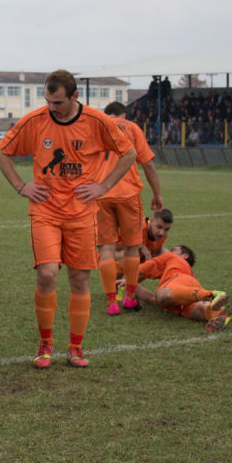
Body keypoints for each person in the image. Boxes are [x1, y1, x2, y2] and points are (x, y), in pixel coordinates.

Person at [0, 69, 135, 369]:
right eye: (48, 100)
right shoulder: (35, 121)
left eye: (57, 102)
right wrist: (21, 186)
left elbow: (129, 153)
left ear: (74, 96)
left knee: (80, 279)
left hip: (82, 213)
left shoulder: (97, 122)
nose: (51, 107)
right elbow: (1, 152)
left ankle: (76, 347)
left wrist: (103, 186)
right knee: (47, 274)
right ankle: (45, 343)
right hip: (45, 211)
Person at [97, 101, 163, 315]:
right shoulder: (132, 128)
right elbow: (148, 164)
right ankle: (130, 298)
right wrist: (157, 194)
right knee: (131, 247)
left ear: (106, 114)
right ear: (123, 114)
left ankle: (110, 302)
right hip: (128, 194)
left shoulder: (97, 126)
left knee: (106, 248)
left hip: (101, 193)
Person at [128, 245, 230, 332]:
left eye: (175, 250)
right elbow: (151, 298)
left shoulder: (171, 257)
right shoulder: (184, 271)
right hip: (188, 290)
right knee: (198, 309)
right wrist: (130, 285)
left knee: (163, 295)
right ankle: (218, 314)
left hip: (179, 281)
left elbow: (144, 268)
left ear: (185, 256)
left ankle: (211, 294)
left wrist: (128, 277)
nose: (170, 251)